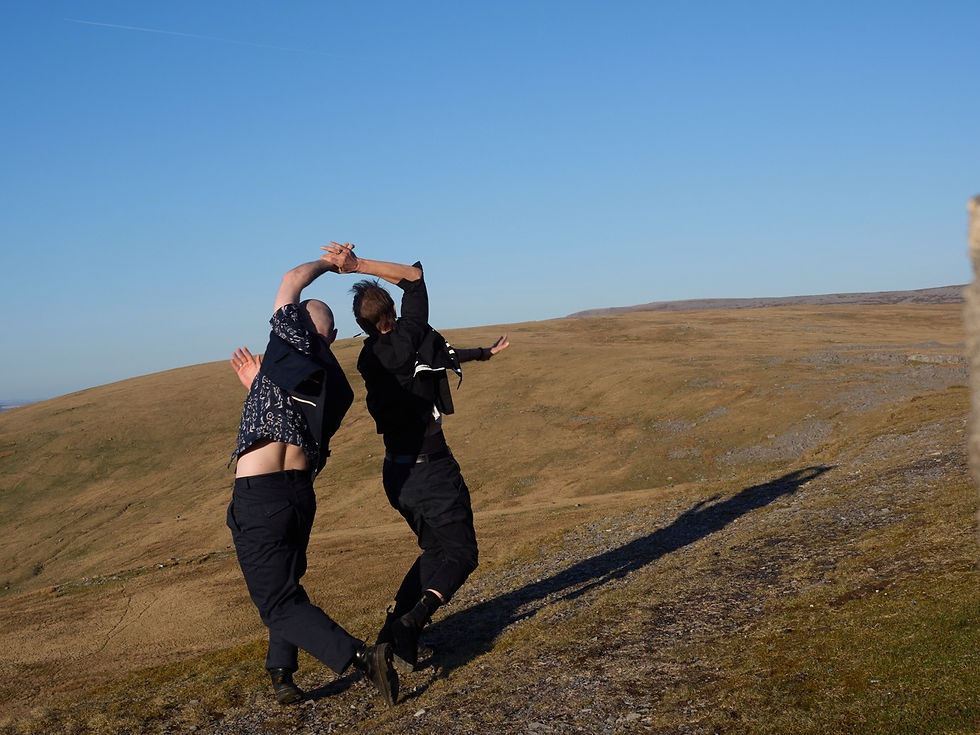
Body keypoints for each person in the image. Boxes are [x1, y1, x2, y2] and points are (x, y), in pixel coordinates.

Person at [319, 242, 509, 673]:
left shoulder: (369, 358)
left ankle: (390, 637)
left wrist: (481, 353)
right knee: (461, 555)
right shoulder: (411, 333)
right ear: (392, 311)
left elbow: (434, 359)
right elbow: (414, 276)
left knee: (433, 550)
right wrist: (357, 265)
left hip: (397, 476)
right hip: (431, 468)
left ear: (361, 323)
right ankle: (411, 623)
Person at [226, 254, 398, 707]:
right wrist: (259, 386)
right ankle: (281, 672)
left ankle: (363, 658)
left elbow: (290, 279)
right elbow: (296, 421)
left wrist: (330, 264)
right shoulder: (338, 388)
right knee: (287, 585)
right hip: (298, 495)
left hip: (260, 496)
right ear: (334, 336)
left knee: (278, 601)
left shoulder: (288, 338)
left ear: (296, 323)